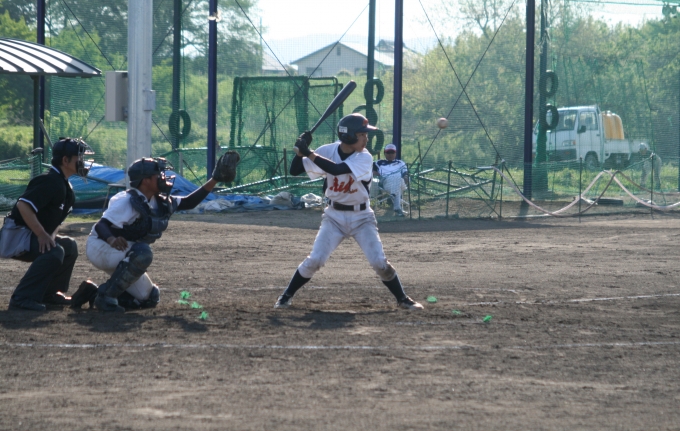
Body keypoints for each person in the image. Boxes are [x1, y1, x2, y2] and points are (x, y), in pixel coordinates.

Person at [274, 113, 423, 311]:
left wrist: (308, 152)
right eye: (362, 135)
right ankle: (285, 296)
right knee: (315, 260)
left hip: (362, 217)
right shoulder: (327, 150)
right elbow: (294, 170)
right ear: (349, 136)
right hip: (333, 217)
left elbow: (337, 169)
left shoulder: (365, 157)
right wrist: (300, 151)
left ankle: (402, 299)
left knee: (379, 263)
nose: (366, 139)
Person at [84, 153, 239, 312]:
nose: (163, 177)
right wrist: (111, 239)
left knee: (149, 297)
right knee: (143, 253)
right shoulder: (127, 200)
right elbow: (101, 225)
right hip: (101, 247)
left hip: (123, 251)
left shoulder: (159, 200)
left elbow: (189, 202)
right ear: (145, 180)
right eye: (158, 175)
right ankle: (105, 297)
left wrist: (214, 180)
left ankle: (94, 293)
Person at [1, 138, 92, 311]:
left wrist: (49, 237)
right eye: (79, 157)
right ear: (65, 160)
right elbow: (23, 205)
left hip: (29, 235)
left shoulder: (65, 186)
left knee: (69, 246)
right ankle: (21, 298)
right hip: (16, 235)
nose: (83, 161)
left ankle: (49, 294)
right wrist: (42, 235)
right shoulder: (50, 181)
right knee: (54, 251)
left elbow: (55, 221)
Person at [373, 143, 409, 216]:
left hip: (401, 183)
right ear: (385, 153)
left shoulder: (400, 163)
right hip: (386, 182)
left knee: (397, 177)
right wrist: (377, 174)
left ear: (395, 153)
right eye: (388, 152)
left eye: (392, 152)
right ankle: (397, 207)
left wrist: (406, 177)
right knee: (397, 177)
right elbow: (370, 171)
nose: (390, 154)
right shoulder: (378, 163)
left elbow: (405, 173)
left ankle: (393, 195)